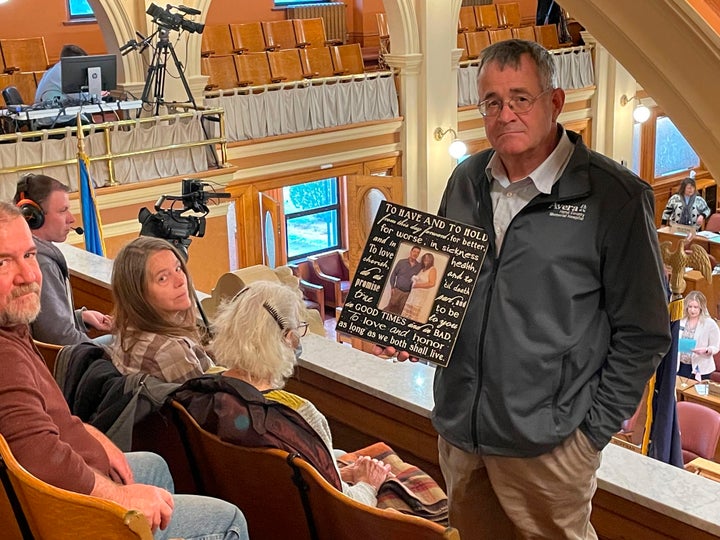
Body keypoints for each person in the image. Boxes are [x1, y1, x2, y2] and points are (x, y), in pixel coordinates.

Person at [385, 39, 670, 539]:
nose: (505, 114)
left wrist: (589, 435)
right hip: (462, 434)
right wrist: (405, 326)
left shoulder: (614, 197)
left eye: (521, 98)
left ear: (554, 103)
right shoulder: (466, 179)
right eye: (492, 102)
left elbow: (644, 332)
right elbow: (441, 287)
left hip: (550, 449)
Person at [0, 202, 249, 539]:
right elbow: (37, 454)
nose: (29, 276)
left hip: (64, 485)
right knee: (227, 519)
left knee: (153, 466)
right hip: (63, 513)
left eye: (29, 255)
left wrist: (94, 436)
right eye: (3, 262)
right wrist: (118, 498)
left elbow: (45, 420)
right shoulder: (5, 356)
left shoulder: (11, 325)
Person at [12, 174, 112, 345]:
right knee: (121, 344)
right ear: (32, 216)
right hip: (61, 363)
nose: (71, 219)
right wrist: (100, 354)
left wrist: (81, 318)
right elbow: (58, 336)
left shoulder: (31, 253)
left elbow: (43, 321)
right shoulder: (42, 263)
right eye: (62, 210)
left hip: (60, 356)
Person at [110, 236, 216, 383]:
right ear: (138, 294)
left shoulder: (129, 328)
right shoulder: (171, 351)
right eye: (162, 278)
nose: (180, 281)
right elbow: (207, 403)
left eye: (178, 268)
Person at [34, 44, 91, 129]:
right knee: (96, 131)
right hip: (54, 122)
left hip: (51, 117)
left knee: (87, 119)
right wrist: (96, 94)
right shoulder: (64, 72)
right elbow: (79, 97)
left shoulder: (56, 69)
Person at [677, 290, 720, 380]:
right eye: (690, 307)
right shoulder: (681, 320)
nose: (692, 310)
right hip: (681, 365)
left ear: (701, 308)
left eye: (696, 307)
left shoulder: (710, 324)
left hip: (701, 367)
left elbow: (716, 346)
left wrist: (706, 350)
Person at [381, 245, 422, 315]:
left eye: (417, 253)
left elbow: (419, 279)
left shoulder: (419, 266)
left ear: (418, 254)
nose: (415, 254)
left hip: (407, 294)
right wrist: (392, 287)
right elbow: (394, 274)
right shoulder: (401, 262)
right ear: (411, 252)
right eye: (414, 251)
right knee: (390, 308)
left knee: (401, 312)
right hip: (397, 290)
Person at [402, 252, 437, 322]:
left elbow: (432, 283)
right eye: (424, 259)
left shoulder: (432, 269)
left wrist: (417, 285)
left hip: (420, 296)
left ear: (431, 260)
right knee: (407, 314)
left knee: (414, 315)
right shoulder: (422, 269)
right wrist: (414, 279)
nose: (426, 261)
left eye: (428, 259)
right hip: (413, 295)